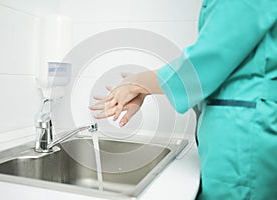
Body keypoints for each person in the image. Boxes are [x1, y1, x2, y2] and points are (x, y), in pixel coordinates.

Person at [89, 0, 277, 199]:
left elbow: (208, 60)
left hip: (244, 135)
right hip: (240, 129)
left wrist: (139, 83)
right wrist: (142, 87)